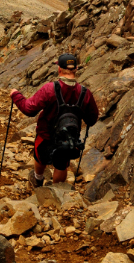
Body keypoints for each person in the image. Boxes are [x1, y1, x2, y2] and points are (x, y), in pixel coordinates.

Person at [9, 53, 99, 187]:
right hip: (68, 136)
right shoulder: (85, 93)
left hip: (46, 133)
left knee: (40, 156)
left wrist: (15, 95)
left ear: (59, 69)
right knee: (62, 164)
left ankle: (38, 180)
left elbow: (29, 109)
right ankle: (57, 191)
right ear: (76, 69)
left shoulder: (50, 89)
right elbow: (92, 119)